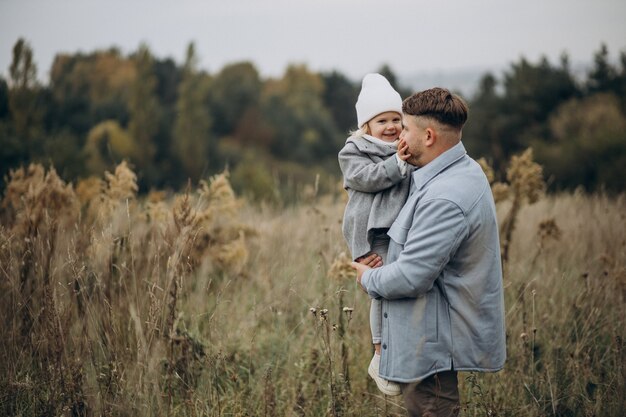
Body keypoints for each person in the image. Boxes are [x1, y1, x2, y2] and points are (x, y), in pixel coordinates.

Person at [352, 87, 506, 416]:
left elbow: (411, 277)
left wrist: (368, 277)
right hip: (427, 339)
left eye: (405, 128)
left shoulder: (445, 197)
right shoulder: (459, 171)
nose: (399, 135)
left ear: (430, 135)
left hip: (430, 347)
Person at [338, 73, 413, 396]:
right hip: (371, 232)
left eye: (396, 119)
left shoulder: (403, 148)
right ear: (366, 126)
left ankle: (399, 351)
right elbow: (367, 179)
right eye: (382, 120)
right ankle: (381, 353)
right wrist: (398, 163)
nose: (391, 126)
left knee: (397, 288)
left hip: (398, 229)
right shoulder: (354, 152)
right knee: (381, 289)